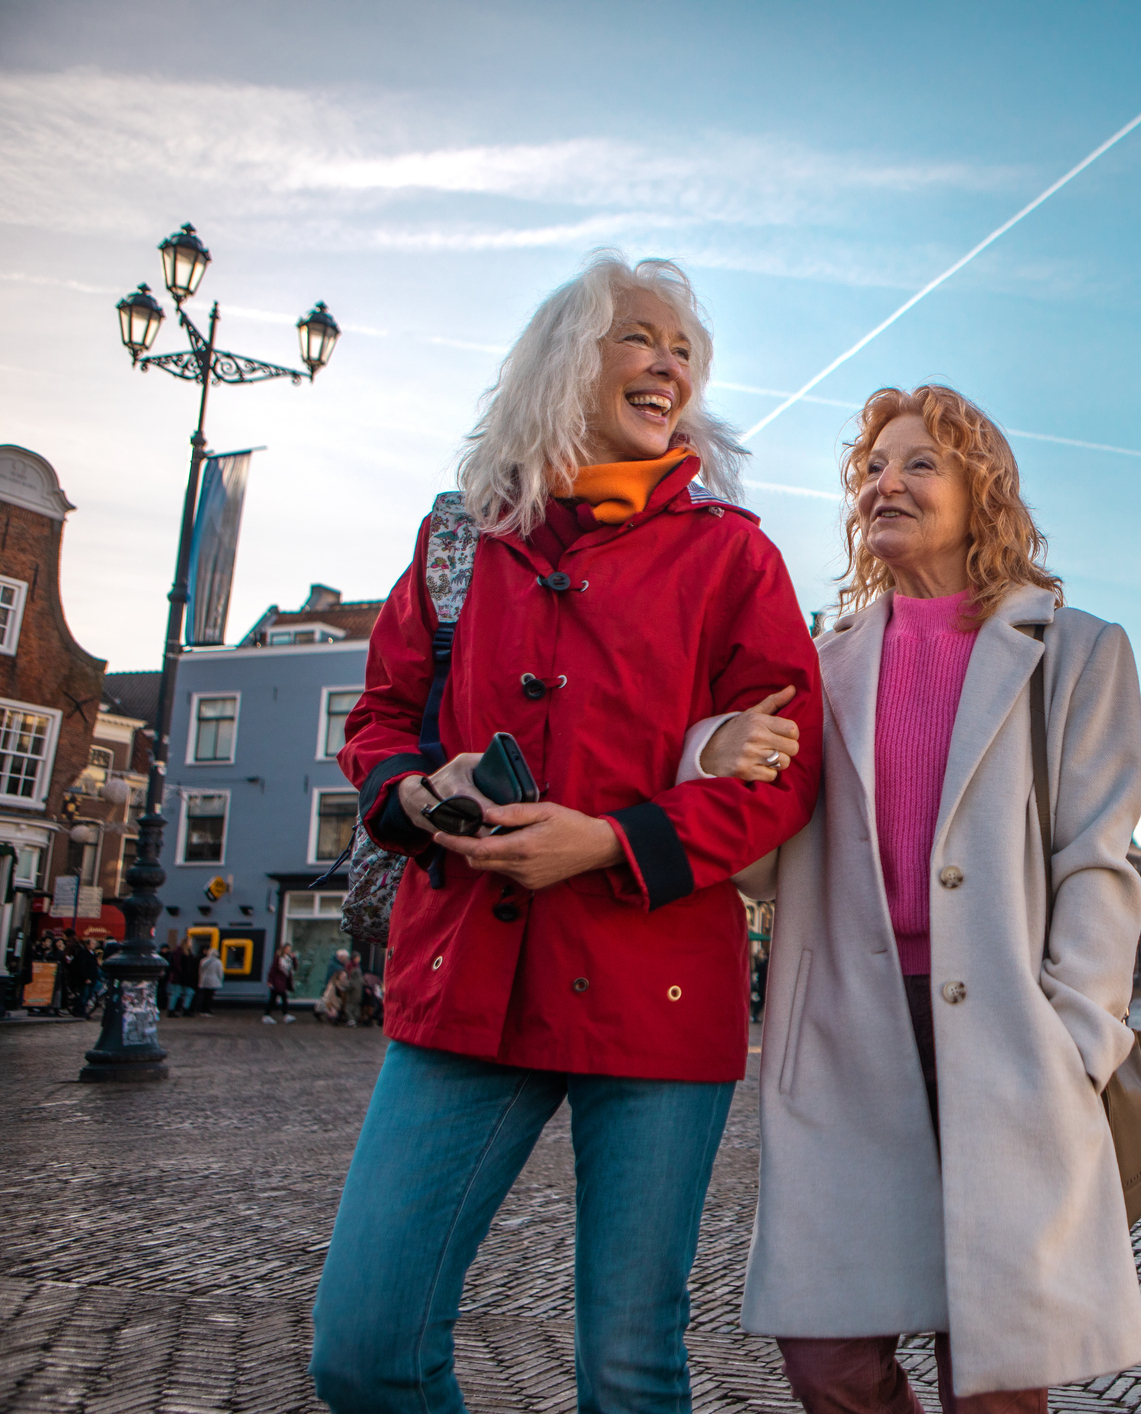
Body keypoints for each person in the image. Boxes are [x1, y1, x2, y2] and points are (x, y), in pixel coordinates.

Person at [308, 253, 822, 1414]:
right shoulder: (458, 543)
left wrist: (610, 841)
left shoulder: (735, 557)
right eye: (641, 337)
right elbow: (382, 718)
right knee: (364, 1346)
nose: (672, 363)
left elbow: (786, 775)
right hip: (464, 978)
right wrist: (413, 790)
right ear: (566, 358)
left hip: (653, 993)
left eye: (687, 350)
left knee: (632, 1370)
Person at [742, 384, 1141, 1408]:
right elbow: (754, 864)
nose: (888, 480)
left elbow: (1097, 861)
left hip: (1010, 1039)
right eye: (874, 465)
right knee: (827, 1357)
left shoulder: (1078, 652)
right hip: (844, 1038)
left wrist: (1076, 1040)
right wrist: (718, 748)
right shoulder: (814, 670)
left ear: (985, 493)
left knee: (995, 1373)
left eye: (921, 462)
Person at [264, 943, 296, 1023]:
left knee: (273, 999)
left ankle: (267, 1015)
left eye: (290, 949)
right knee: (283, 998)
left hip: (283, 982)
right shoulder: (279, 958)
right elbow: (273, 969)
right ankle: (284, 1015)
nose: (289, 951)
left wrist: (294, 958)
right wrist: (270, 981)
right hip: (277, 982)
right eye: (288, 949)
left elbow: (294, 967)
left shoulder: (288, 959)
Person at [167, 938, 197, 1018]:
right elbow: (178, 966)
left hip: (182, 977)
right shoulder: (183, 953)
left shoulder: (180, 952)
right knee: (180, 993)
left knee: (181, 993)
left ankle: (175, 1009)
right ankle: (179, 1009)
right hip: (180, 977)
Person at [195, 943, 223, 1016]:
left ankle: (201, 1009)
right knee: (210, 996)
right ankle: (207, 1010)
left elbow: (200, 971)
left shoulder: (203, 960)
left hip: (204, 980)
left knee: (203, 995)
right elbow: (220, 973)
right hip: (213, 980)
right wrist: (220, 980)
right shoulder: (218, 962)